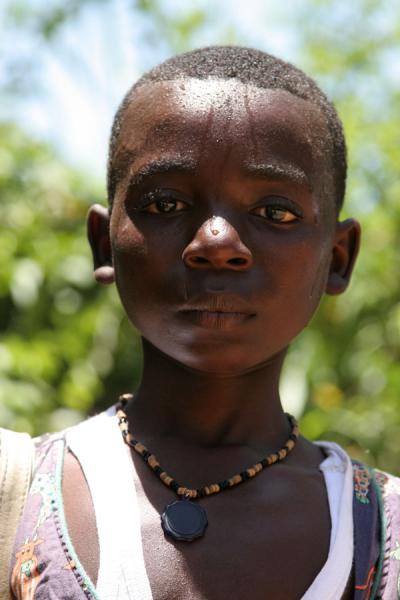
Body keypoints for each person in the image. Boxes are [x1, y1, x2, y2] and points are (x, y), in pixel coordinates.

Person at [7, 46, 400, 600]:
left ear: (338, 258)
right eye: (165, 204)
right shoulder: (13, 498)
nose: (217, 245)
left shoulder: (385, 539)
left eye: (275, 213)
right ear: (104, 243)